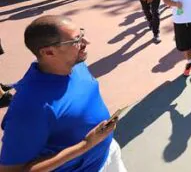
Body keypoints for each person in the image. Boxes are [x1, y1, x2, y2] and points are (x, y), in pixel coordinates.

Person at [0, 16, 126, 171]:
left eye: (81, 33)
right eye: (76, 40)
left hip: (107, 153)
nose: (86, 42)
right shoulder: (29, 107)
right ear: (48, 52)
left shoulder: (76, 65)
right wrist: (84, 145)